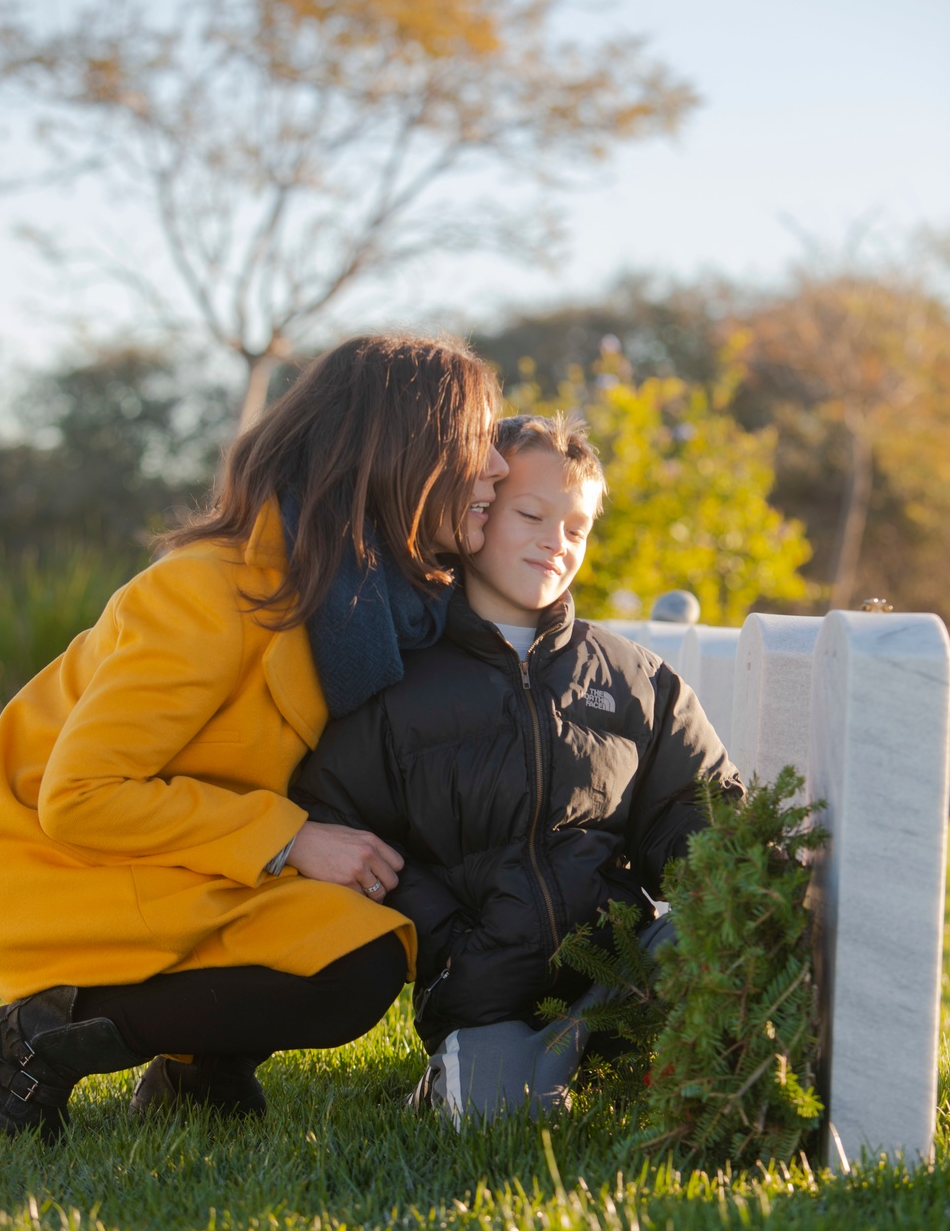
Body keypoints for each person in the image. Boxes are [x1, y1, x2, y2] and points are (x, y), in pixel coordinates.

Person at [0, 333, 508, 1140]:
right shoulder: (209, 597)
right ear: (403, 454)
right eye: (479, 444)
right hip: (71, 865)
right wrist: (290, 841)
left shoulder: (385, 607)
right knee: (351, 971)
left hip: (187, 859)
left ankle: (197, 1064)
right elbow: (80, 798)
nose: (498, 469)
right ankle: (25, 1042)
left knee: (365, 931)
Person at [293, 412, 743, 1125]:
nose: (553, 543)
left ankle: (617, 1053)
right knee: (501, 1117)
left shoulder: (635, 680)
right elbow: (333, 816)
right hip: (483, 987)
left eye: (576, 528)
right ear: (473, 517)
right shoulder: (399, 682)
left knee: (724, 940)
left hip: (622, 971)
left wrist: (735, 868)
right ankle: (468, 1076)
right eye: (529, 514)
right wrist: (447, 941)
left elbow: (694, 806)